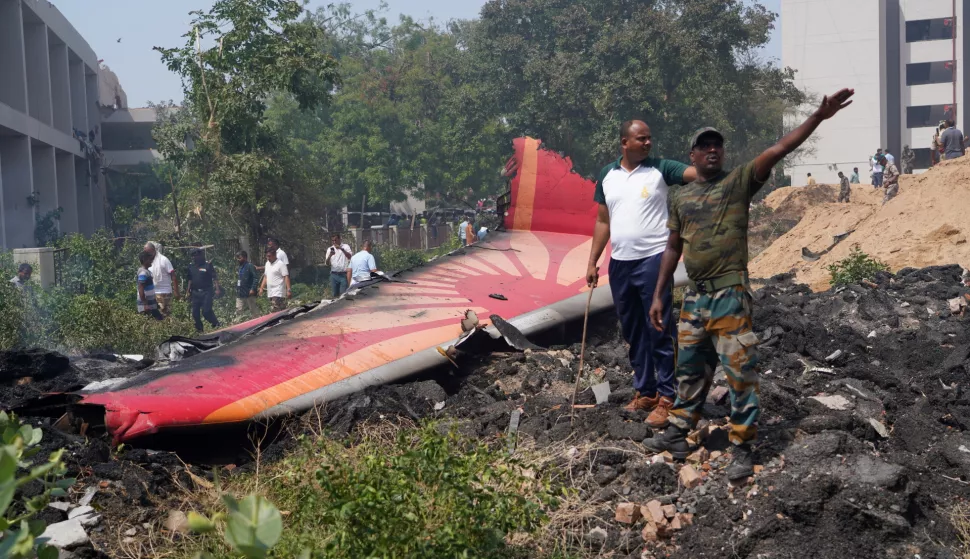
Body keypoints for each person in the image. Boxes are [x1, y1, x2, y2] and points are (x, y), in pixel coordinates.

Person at [642, 88, 854, 481]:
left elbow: (778, 149)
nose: (711, 151)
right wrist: (660, 295)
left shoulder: (738, 183)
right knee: (689, 367)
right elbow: (672, 247)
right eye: (703, 147)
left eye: (716, 146)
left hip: (729, 296)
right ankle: (678, 430)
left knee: (739, 373)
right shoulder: (682, 198)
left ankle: (742, 445)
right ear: (691, 155)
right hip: (694, 298)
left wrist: (817, 117)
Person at [586, 119, 698, 428]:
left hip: (654, 259)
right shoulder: (607, 176)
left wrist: (706, 163)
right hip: (620, 262)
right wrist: (593, 261)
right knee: (633, 330)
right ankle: (645, 391)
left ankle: (667, 396)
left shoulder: (660, 168)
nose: (648, 143)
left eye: (649, 138)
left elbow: (693, 174)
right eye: (641, 139)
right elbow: (602, 221)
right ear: (625, 143)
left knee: (658, 327)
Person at [185, 248, 221, 332]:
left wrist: (217, 289)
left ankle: (216, 324)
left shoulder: (207, 265)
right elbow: (190, 279)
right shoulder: (191, 266)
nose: (194, 257)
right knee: (195, 314)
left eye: (196, 255)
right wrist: (188, 291)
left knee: (206, 311)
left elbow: (214, 277)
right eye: (193, 256)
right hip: (195, 293)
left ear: (200, 256)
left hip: (206, 292)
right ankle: (200, 331)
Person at [144, 242, 179, 317]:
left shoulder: (164, 260)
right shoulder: (147, 262)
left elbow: (173, 276)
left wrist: (176, 292)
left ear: (153, 250)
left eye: (148, 252)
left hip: (165, 292)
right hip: (153, 293)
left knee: (164, 316)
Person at [258, 247, 291, 312]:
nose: (268, 258)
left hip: (278, 291)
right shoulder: (267, 264)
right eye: (267, 256)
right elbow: (265, 276)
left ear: (274, 255)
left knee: (275, 311)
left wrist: (289, 290)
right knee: (281, 311)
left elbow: (286, 277)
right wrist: (261, 288)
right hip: (270, 292)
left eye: (269, 256)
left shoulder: (280, 264)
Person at [136, 251, 164, 320]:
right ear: (144, 260)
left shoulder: (147, 271)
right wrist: (145, 304)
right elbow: (141, 288)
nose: (151, 261)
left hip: (151, 305)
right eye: (149, 259)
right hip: (147, 306)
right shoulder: (143, 273)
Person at [235, 250, 259, 319]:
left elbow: (255, 278)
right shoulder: (239, 267)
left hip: (249, 292)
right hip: (240, 292)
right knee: (239, 310)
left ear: (245, 258)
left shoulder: (250, 266)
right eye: (237, 258)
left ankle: (258, 323)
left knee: (253, 310)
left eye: (239, 258)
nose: (238, 260)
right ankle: (239, 325)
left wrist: (253, 288)